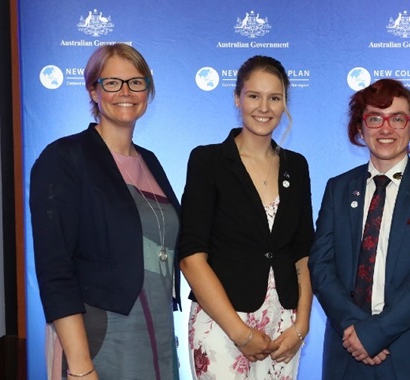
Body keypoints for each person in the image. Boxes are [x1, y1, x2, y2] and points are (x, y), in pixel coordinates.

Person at [30, 43, 181, 380]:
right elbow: (55, 270)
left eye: (136, 82)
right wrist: (81, 368)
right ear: (92, 90)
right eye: (112, 82)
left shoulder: (151, 161)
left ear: (148, 90)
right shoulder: (64, 159)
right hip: (101, 337)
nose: (125, 92)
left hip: (157, 333)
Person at [309, 78, 410, 379]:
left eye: (398, 118)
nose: (386, 129)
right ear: (360, 128)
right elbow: (321, 265)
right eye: (375, 118)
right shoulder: (338, 189)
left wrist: (377, 332)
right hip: (347, 349)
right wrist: (358, 331)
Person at [178, 55, 314, 379]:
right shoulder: (207, 160)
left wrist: (302, 326)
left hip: (284, 329)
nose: (264, 107)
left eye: (275, 98)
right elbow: (191, 258)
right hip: (223, 325)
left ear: (284, 104)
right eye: (254, 96)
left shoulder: (297, 166)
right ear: (237, 98)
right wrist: (241, 334)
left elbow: (304, 255)